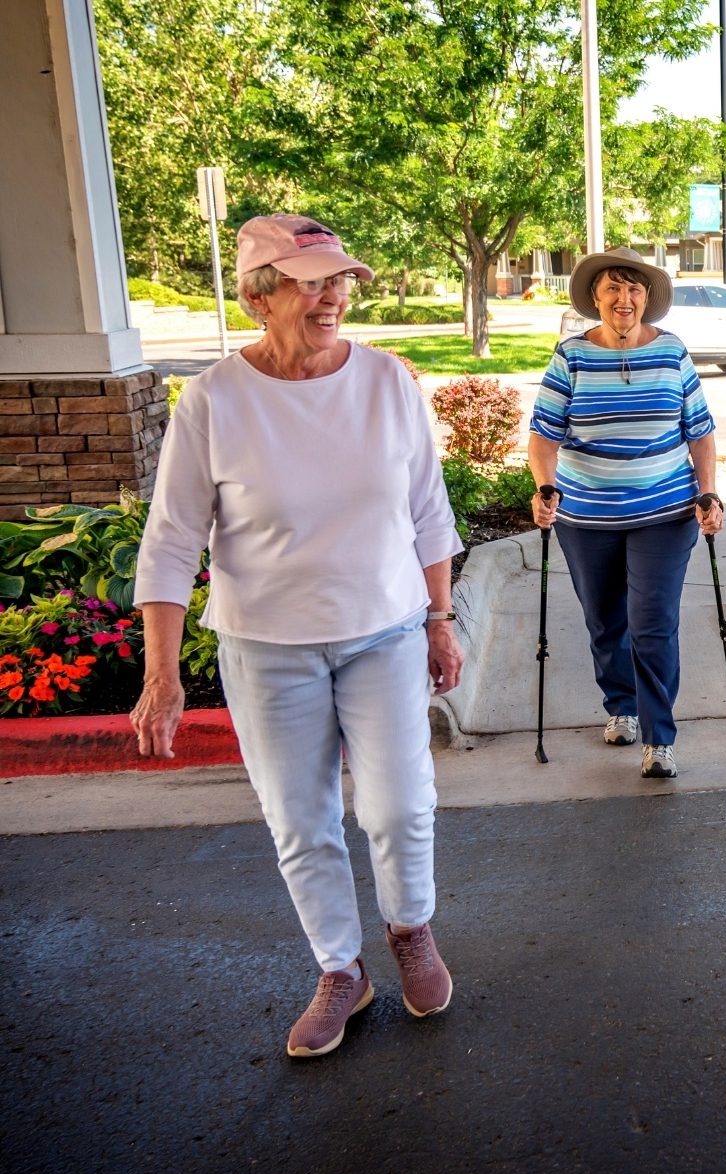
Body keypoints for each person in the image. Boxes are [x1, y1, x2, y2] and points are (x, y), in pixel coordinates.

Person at [131, 214, 464, 1059]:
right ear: (259, 297)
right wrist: (160, 675)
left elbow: (428, 512)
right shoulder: (214, 400)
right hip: (268, 646)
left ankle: (410, 931)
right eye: (309, 281)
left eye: (338, 280)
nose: (332, 296)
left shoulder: (388, 381)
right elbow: (171, 539)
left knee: (399, 805)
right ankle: (339, 968)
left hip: (384, 630)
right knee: (301, 819)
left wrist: (439, 619)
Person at [528, 248, 723, 779]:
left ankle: (660, 737)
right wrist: (545, 486)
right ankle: (621, 703)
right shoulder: (571, 356)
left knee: (652, 622)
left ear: (647, 299)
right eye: (613, 288)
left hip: (664, 511)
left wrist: (708, 493)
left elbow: (700, 431)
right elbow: (543, 434)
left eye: (634, 289)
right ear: (595, 298)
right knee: (605, 619)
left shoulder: (672, 352)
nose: (624, 298)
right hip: (586, 516)